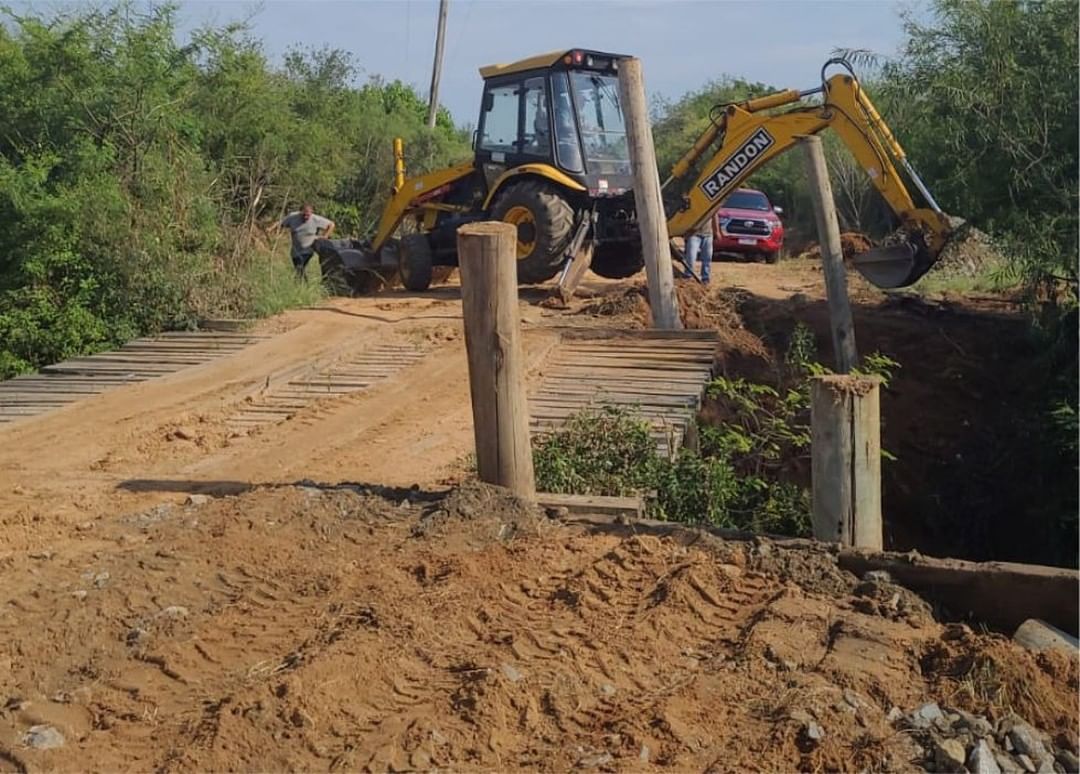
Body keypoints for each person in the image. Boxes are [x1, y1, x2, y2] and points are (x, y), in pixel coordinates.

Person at [277, 203, 334, 280]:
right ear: (300, 212)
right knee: (299, 269)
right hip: (295, 251)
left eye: (308, 215)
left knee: (299, 267)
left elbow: (331, 224)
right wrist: (271, 229)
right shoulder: (293, 216)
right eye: (304, 215)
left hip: (308, 249)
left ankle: (300, 286)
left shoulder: (315, 219)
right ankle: (304, 286)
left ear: (311, 213)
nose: (306, 217)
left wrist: (325, 236)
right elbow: (281, 223)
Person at [684, 217, 715, 283]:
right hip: (693, 234)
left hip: (708, 234)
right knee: (691, 257)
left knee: (707, 258)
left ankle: (705, 277)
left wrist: (717, 231)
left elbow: (715, 215)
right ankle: (688, 275)